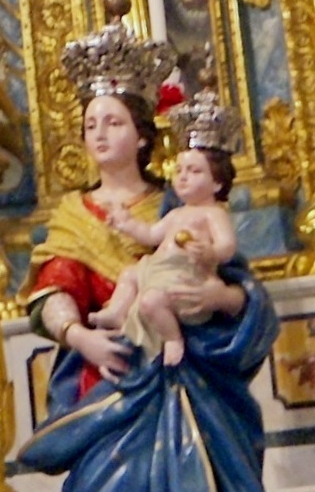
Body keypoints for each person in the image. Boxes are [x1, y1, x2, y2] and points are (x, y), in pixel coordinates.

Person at [16, 53, 303, 492]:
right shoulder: (72, 216)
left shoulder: (182, 202)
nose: (99, 133)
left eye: (113, 120)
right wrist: (80, 339)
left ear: (144, 134)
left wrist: (219, 294)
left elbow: (244, 291)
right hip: (110, 392)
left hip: (191, 392)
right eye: (89, 122)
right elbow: (53, 293)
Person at [101, 127, 240, 360]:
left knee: (150, 301)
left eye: (194, 171)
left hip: (183, 276)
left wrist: (210, 252)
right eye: (179, 170)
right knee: (129, 274)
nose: (183, 176)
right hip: (158, 270)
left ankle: (173, 339)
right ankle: (116, 312)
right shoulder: (176, 214)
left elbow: (227, 247)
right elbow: (151, 235)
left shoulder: (212, 214)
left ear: (216, 183)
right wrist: (127, 224)